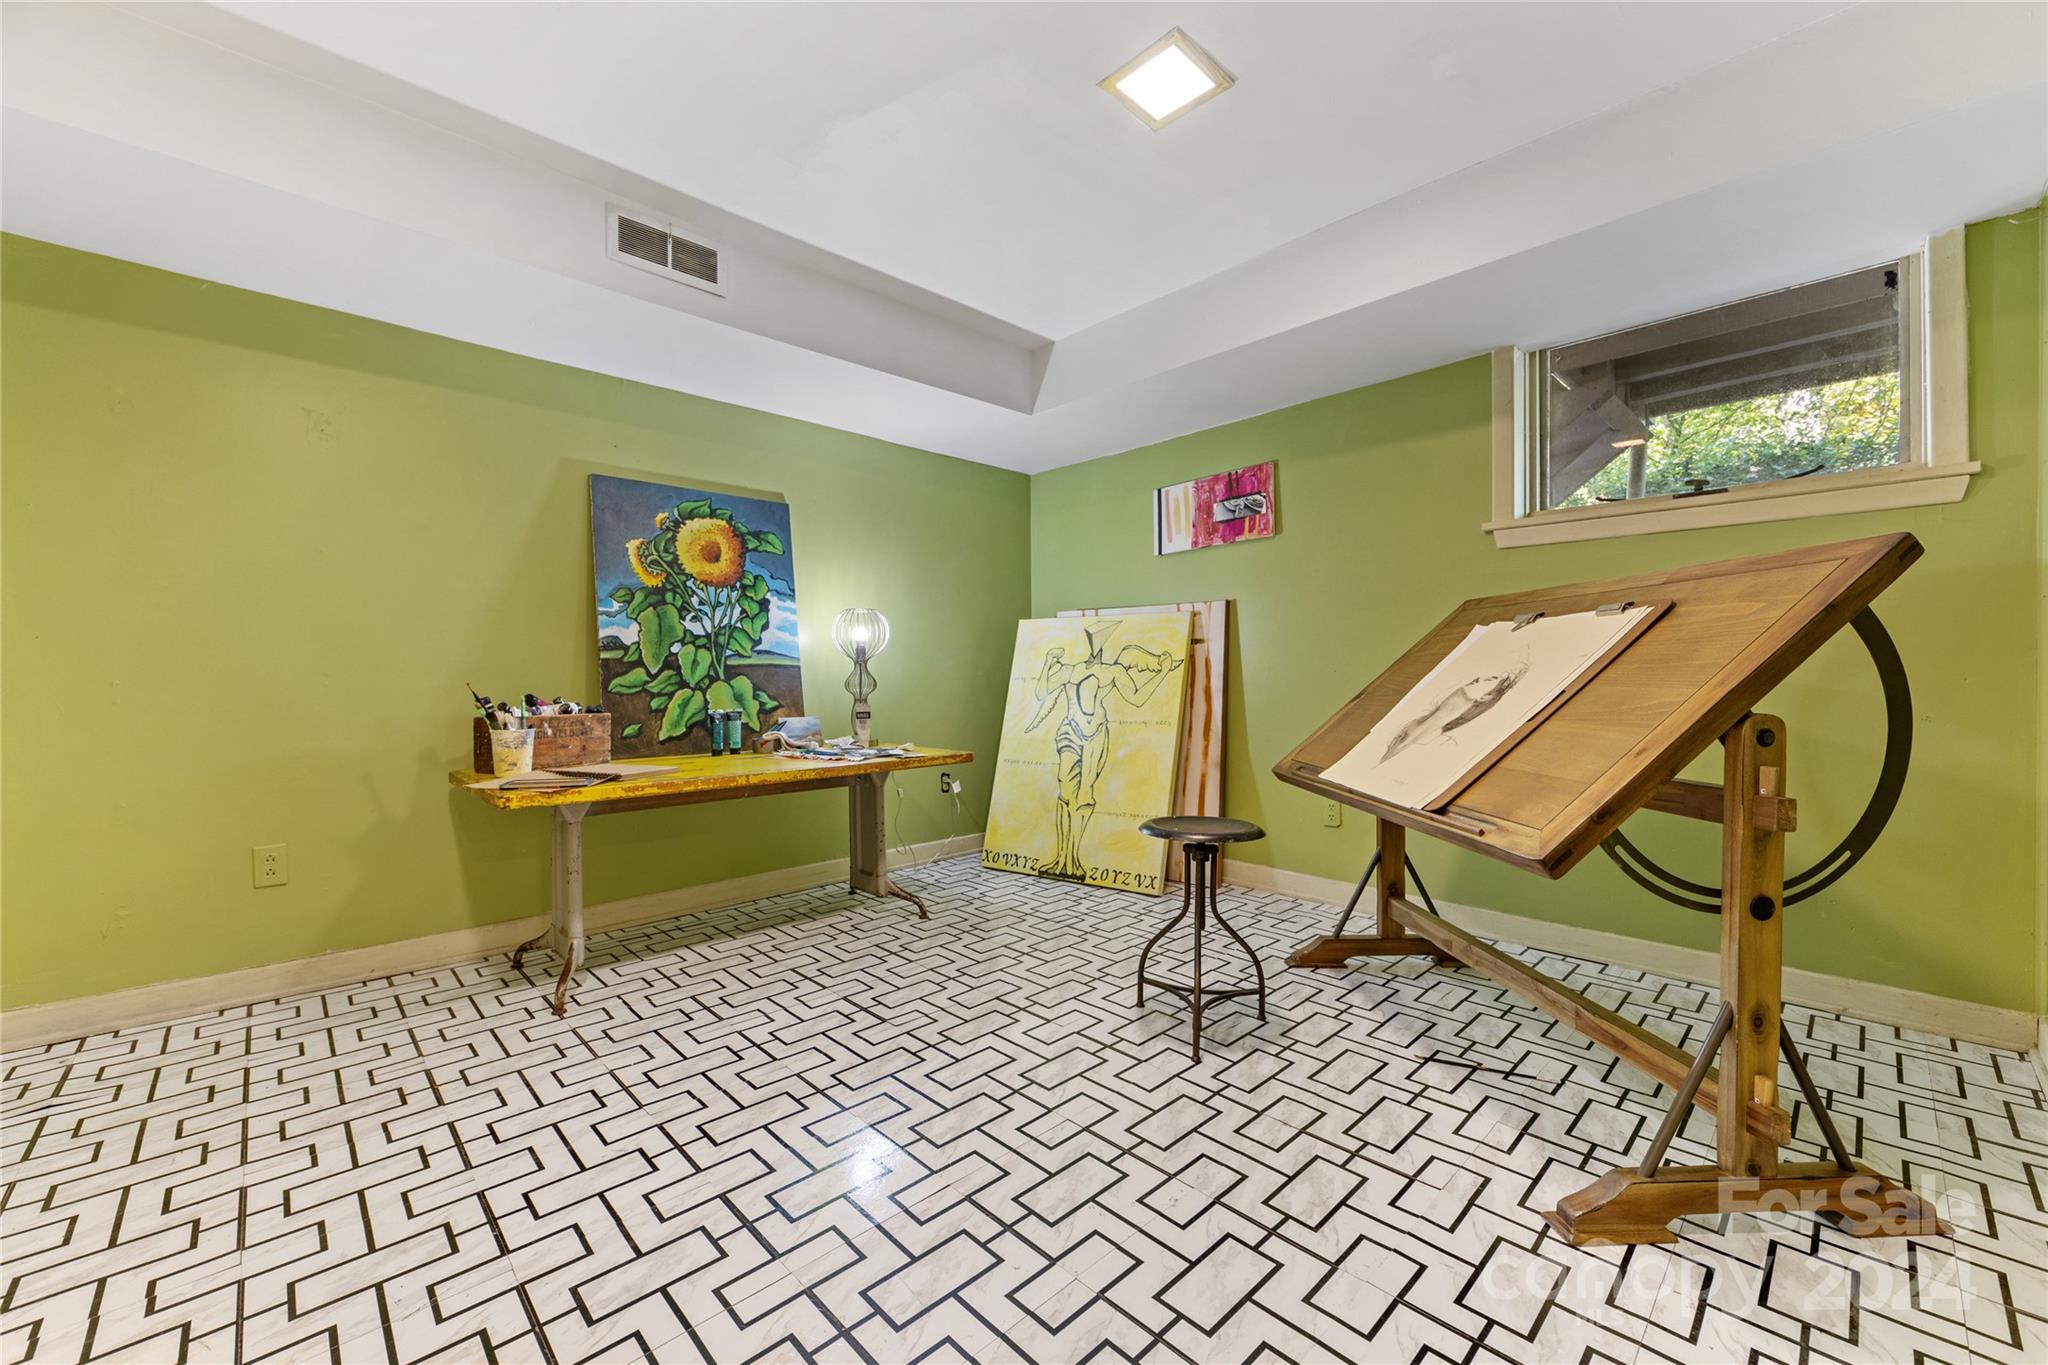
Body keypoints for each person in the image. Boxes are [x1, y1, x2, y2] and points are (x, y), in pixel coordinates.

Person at [1023, 622, 1184, 881]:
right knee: (1065, 789)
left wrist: (1162, 672)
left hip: (1095, 733)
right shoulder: (1070, 670)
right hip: (1069, 730)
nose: (1094, 643)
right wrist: (1048, 663)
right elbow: (1042, 691)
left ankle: (1073, 860)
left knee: (1084, 794)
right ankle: (1060, 857)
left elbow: (1137, 698)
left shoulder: (1114, 671)